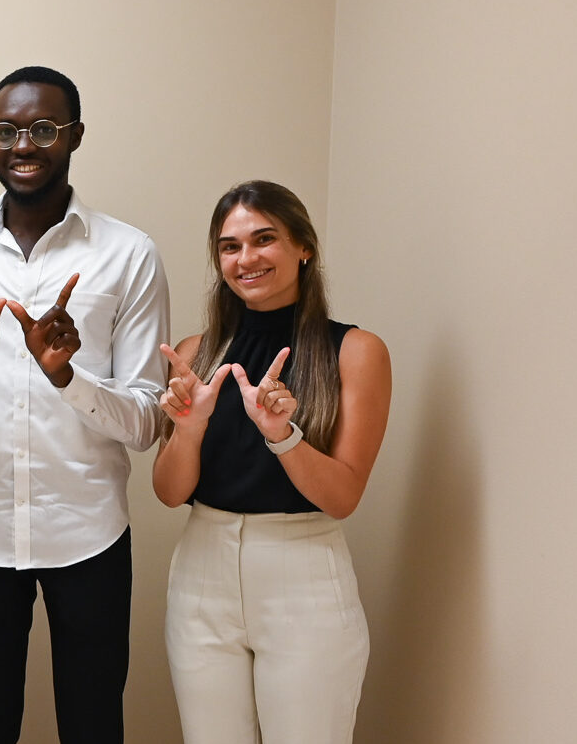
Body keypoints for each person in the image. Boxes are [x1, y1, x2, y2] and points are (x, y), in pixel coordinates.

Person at [0, 66, 169, 743]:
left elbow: (146, 422)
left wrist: (68, 378)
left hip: (89, 536)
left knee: (92, 726)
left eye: (44, 128)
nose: (24, 143)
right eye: (7, 130)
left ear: (76, 135)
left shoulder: (128, 255)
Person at [152, 180, 390, 744]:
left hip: (302, 569)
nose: (246, 259)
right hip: (201, 571)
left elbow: (343, 497)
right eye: (230, 246)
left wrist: (283, 436)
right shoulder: (194, 353)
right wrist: (188, 432)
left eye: (264, 239)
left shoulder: (356, 351)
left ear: (302, 246)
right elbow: (167, 492)